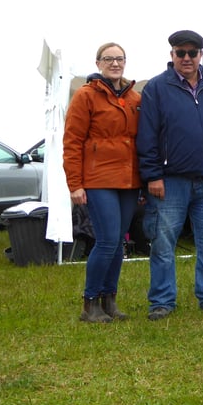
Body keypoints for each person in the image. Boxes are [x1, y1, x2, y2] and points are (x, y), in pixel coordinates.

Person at [136, 30, 203, 318]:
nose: (187, 58)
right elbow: (147, 136)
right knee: (163, 243)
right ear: (172, 55)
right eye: (181, 53)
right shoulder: (156, 88)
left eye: (193, 53)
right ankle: (162, 301)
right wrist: (152, 175)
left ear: (201, 55)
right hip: (170, 181)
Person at [63, 42, 141, 323]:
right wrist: (75, 184)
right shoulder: (86, 96)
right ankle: (90, 302)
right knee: (107, 240)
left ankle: (110, 300)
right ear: (98, 63)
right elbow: (72, 142)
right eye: (108, 59)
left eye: (119, 59)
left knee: (118, 241)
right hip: (98, 179)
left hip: (129, 181)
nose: (115, 63)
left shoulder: (134, 97)